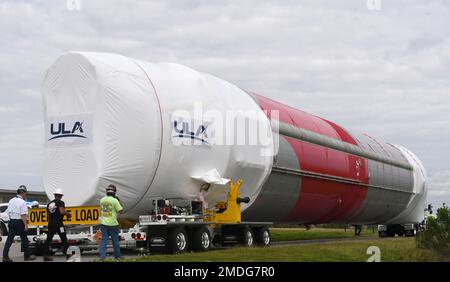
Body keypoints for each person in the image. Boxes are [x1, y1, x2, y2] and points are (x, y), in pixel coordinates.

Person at [2, 185, 36, 262]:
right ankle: (27, 256)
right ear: (22, 192)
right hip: (19, 222)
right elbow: (23, 215)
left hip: (12, 221)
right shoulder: (22, 202)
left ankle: (5, 257)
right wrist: (26, 225)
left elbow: (8, 212)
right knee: (24, 239)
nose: (25, 195)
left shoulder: (11, 200)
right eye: (25, 193)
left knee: (9, 240)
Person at [43, 189, 69, 261]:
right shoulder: (60, 202)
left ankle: (46, 256)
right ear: (61, 196)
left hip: (51, 224)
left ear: (54, 195)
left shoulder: (49, 204)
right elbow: (61, 211)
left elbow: (48, 215)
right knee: (64, 239)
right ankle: (68, 255)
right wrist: (68, 214)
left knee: (48, 240)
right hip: (58, 224)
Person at [99, 184, 123, 260]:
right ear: (114, 193)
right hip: (113, 224)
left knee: (104, 241)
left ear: (106, 192)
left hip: (103, 223)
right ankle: (118, 257)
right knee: (115, 241)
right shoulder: (115, 201)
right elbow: (121, 211)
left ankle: (102, 256)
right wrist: (119, 202)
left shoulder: (102, 200)